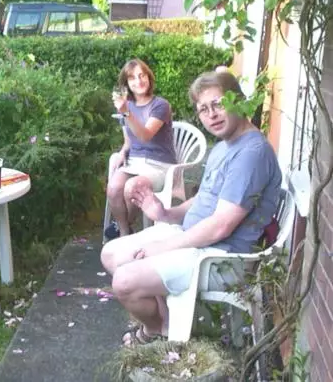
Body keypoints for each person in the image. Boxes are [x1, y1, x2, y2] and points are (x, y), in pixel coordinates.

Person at [100, 71, 282, 347]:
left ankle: (157, 330)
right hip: (195, 238)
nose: (211, 115)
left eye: (218, 104)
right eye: (203, 109)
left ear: (239, 101)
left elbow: (221, 225)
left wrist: (165, 246)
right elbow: (202, 200)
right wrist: (165, 214)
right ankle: (167, 323)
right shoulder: (225, 145)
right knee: (111, 253)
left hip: (219, 257)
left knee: (124, 281)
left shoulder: (251, 154)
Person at [105, 59, 177, 239]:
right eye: (132, 78)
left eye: (142, 75)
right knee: (113, 188)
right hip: (135, 162)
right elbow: (129, 141)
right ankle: (124, 233)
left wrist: (126, 113)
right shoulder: (126, 105)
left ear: (148, 77)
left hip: (159, 165)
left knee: (132, 187)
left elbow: (145, 136)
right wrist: (122, 152)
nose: (138, 81)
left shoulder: (160, 105)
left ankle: (124, 230)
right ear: (126, 84)